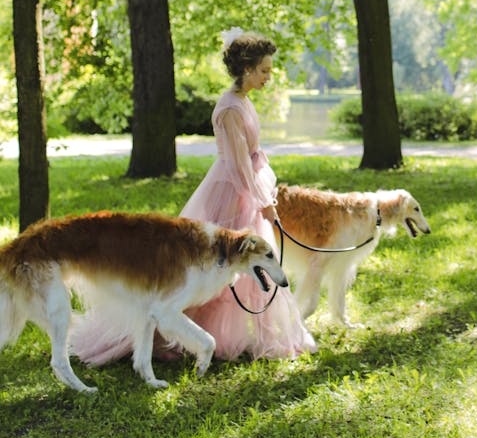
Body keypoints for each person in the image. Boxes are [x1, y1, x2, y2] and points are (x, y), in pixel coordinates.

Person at [71, 28, 316, 367]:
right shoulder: (230, 108)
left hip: (246, 191)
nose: (268, 77)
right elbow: (239, 167)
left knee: (252, 264)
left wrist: (262, 197)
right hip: (232, 194)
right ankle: (162, 335)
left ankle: (259, 335)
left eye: (269, 71)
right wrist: (264, 203)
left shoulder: (242, 101)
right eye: (264, 71)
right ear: (246, 69)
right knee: (210, 269)